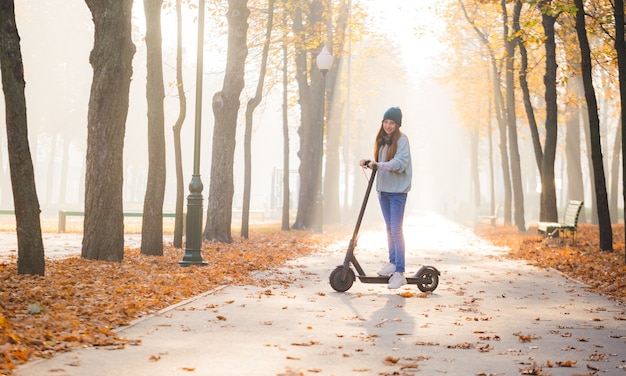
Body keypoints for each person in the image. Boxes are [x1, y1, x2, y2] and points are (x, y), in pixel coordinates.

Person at [359, 107, 412, 289]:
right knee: (389, 229)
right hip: (383, 191)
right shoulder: (381, 141)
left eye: (392, 123)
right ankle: (392, 263)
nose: (388, 126)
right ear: (382, 123)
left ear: (397, 125)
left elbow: (400, 163)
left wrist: (379, 164)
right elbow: (380, 163)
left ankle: (400, 272)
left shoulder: (402, 140)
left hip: (397, 192)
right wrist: (369, 162)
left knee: (396, 230)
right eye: (386, 122)